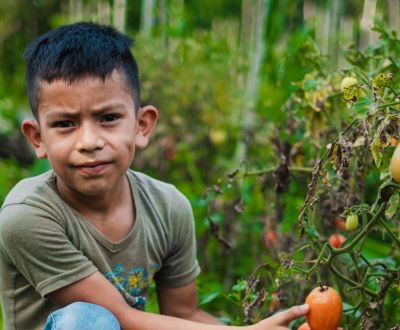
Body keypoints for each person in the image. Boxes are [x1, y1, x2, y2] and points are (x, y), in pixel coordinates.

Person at [0, 22, 318, 330]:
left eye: (108, 118)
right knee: (87, 320)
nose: (89, 142)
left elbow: (184, 314)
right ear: (37, 138)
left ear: (142, 126)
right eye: (65, 124)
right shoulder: (26, 216)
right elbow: (121, 318)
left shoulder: (167, 206)